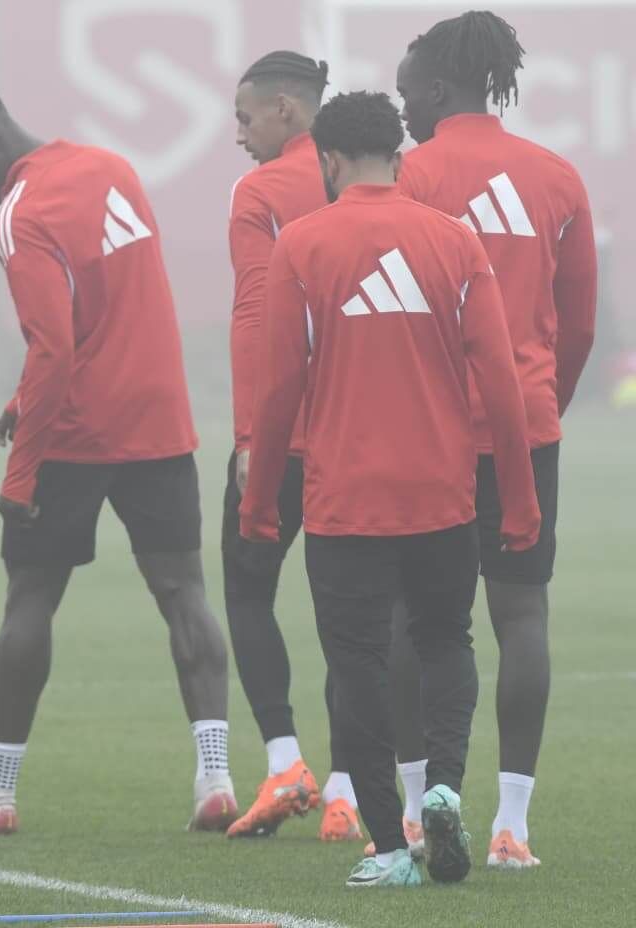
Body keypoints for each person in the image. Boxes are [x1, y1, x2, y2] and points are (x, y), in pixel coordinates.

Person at [240, 89, 540, 887]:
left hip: (345, 501)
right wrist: (520, 497)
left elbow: (278, 392)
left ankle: (389, 841)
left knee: (359, 665)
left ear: (328, 162)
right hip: (444, 494)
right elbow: (501, 386)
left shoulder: (301, 245)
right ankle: (443, 783)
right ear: (400, 159)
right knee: (447, 642)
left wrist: (258, 501)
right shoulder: (455, 241)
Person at [0, 80, 236, 833]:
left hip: (75, 437)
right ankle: (216, 780)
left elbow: (57, 346)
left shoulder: (20, 215)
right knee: (184, 593)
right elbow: (101, 321)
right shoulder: (111, 167)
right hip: (159, 421)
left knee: (30, 601)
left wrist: (21, 468)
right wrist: (9, 413)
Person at [390, 9, 598, 869]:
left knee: (413, 616)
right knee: (523, 614)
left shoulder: (409, 175)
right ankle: (514, 823)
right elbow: (580, 325)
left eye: (408, 94)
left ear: (438, 89)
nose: (403, 109)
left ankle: (410, 809)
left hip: (429, 432)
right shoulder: (556, 176)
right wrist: (541, 405)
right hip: (528, 430)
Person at [222, 50, 361, 842]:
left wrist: (250, 436)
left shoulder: (263, 191)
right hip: (358, 438)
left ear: (286, 109)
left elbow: (254, 315)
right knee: (356, 613)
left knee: (248, 592)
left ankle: (285, 762)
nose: (239, 135)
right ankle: (345, 789)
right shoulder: (380, 183)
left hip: (285, 438)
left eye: (245, 118)